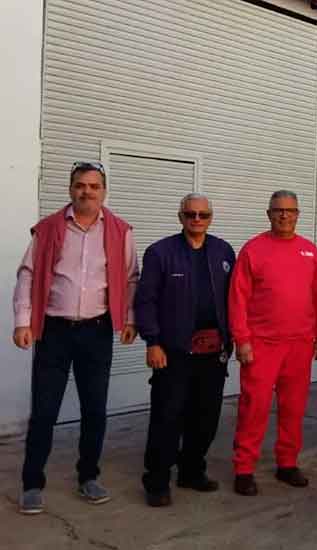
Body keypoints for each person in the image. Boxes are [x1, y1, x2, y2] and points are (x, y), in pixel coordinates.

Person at [11, 161, 139, 514]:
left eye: (94, 186)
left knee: (95, 409)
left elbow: (130, 279)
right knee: (44, 410)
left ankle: (89, 477)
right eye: (80, 185)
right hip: (54, 331)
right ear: (70, 189)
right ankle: (32, 483)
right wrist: (23, 321)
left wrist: (129, 318)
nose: (87, 191)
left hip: (97, 331)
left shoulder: (119, 231)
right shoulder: (49, 228)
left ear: (104, 191)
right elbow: (27, 274)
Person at [134, 193, 236, 507]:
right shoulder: (160, 252)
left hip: (213, 352)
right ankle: (157, 480)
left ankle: (191, 471)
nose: (196, 220)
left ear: (211, 217)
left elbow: (235, 299)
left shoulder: (223, 251)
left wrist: (233, 339)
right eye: (190, 214)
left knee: (205, 417)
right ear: (180, 217)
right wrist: (152, 341)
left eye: (203, 215)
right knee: (167, 417)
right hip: (173, 351)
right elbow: (145, 301)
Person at [228, 190, 317, 496]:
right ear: (268, 213)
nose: (284, 215)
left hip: (299, 344)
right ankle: (244, 468)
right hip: (262, 345)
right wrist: (242, 339)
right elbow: (237, 298)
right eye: (278, 210)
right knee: (254, 407)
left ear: (298, 214)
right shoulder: (253, 250)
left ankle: (287, 463)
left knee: (293, 408)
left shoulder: (309, 252)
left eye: (290, 210)